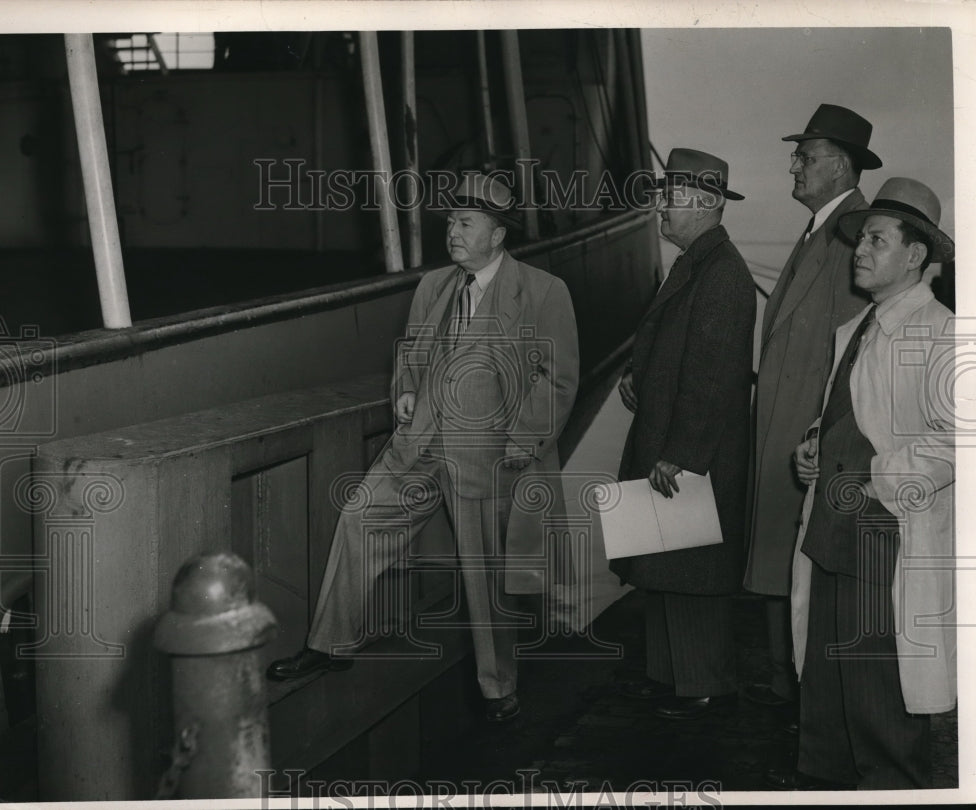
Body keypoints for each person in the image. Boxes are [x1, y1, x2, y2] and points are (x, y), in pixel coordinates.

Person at [266, 173, 580, 724]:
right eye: (451, 222)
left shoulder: (543, 292)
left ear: (497, 234)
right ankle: (330, 643)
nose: (452, 232)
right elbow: (410, 353)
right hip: (420, 445)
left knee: (487, 574)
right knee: (361, 518)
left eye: (466, 223)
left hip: (489, 457)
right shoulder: (434, 286)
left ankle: (499, 687)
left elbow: (558, 379)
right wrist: (406, 390)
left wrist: (520, 444)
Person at [769, 178, 956, 789]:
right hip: (829, 528)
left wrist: (873, 476)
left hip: (883, 535)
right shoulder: (855, 329)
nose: (860, 250)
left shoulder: (942, 332)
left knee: (879, 694)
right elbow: (852, 412)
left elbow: (956, 440)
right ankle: (825, 787)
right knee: (824, 686)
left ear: (915, 255)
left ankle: (891, 791)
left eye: (877, 239)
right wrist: (814, 445)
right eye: (861, 239)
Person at [744, 104, 878, 712]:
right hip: (786, 427)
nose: (793, 167)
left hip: (807, 434)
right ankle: (787, 685)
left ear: (841, 166)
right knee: (783, 561)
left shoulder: (853, 235)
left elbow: (853, 354)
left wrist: (824, 433)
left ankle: (804, 695)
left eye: (806, 157)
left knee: (803, 566)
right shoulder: (820, 231)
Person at [614, 148, 755, 720]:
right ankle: (670, 676)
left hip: (688, 450)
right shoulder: (700, 262)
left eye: (669, 199)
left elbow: (712, 377)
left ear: (705, 203)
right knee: (663, 563)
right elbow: (676, 347)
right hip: (671, 438)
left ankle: (705, 685)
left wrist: (682, 453)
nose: (660, 209)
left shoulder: (721, 274)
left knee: (691, 570)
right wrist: (638, 374)